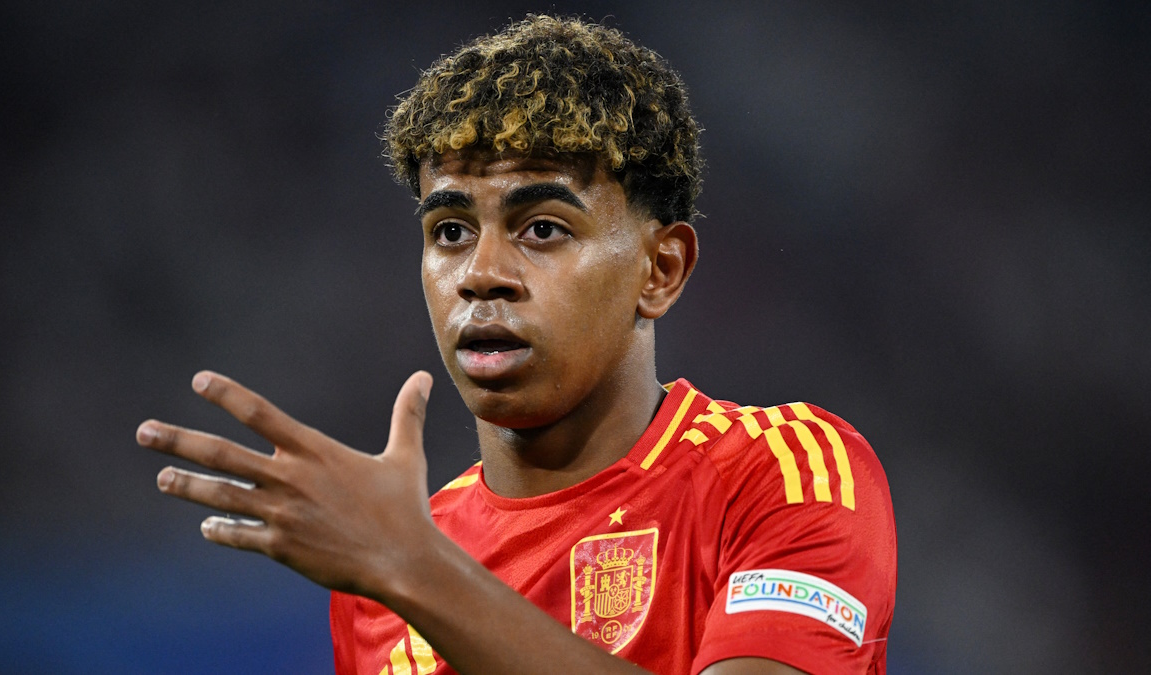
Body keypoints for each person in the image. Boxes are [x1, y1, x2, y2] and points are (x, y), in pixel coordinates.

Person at [137, 15, 896, 675]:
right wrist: (409, 566)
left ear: (660, 270)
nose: (480, 274)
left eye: (543, 228)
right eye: (450, 231)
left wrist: (418, 572)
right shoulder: (384, 578)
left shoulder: (782, 473)